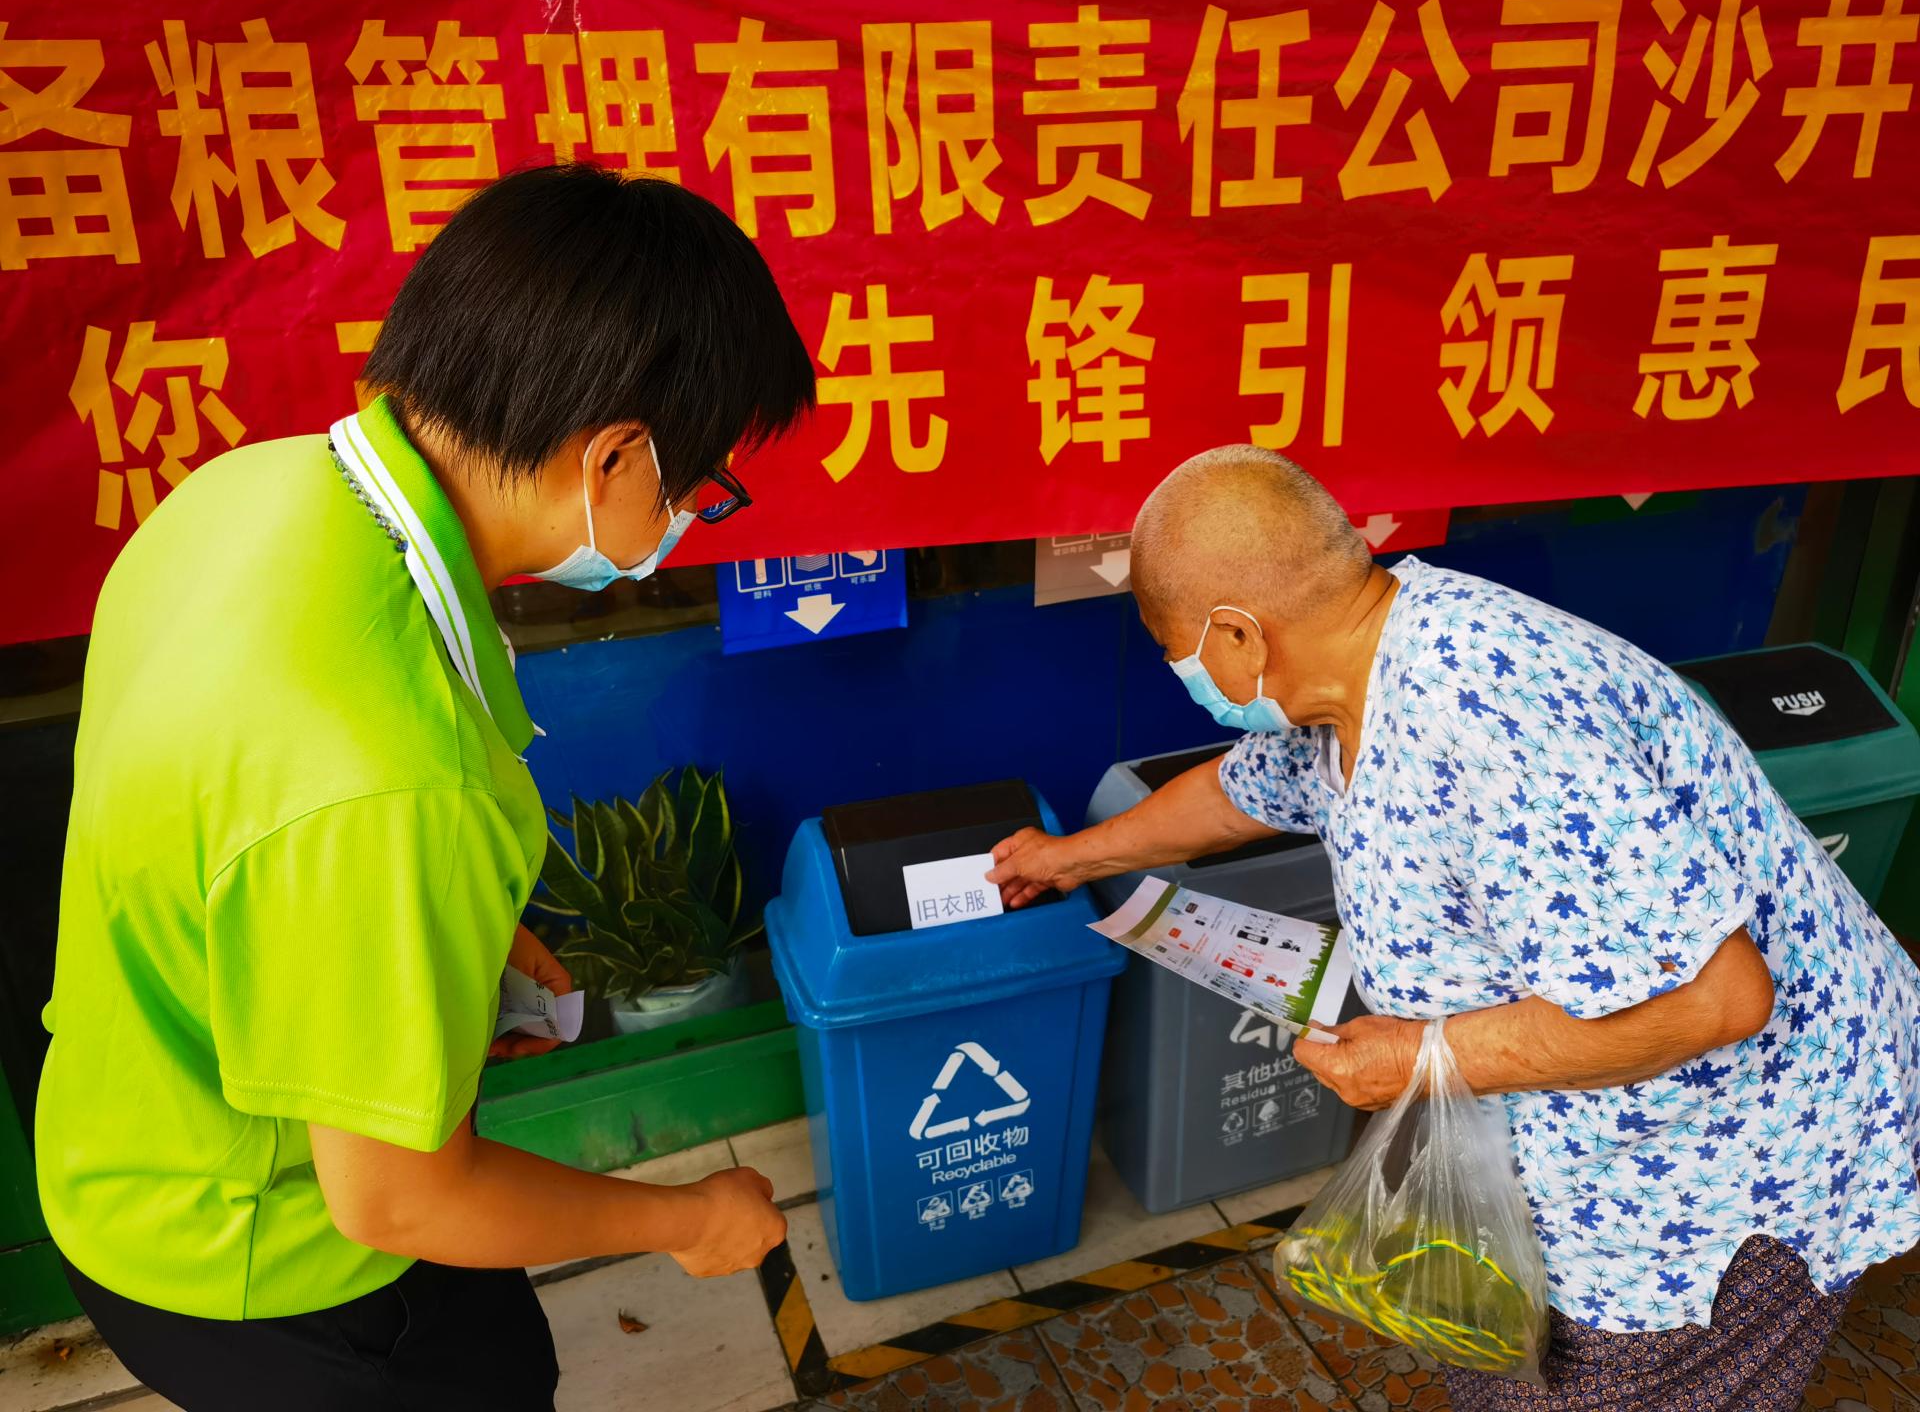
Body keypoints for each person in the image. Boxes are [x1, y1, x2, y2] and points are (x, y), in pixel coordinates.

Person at [36, 164, 815, 1411]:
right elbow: (399, 1197)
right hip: (268, 1258)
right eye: (692, 484)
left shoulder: (254, 493)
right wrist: (684, 1218)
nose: (683, 516)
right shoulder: (391, 781)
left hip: (119, 1138)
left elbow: (228, 812)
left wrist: (452, 928)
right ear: (612, 453)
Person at [989, 444, 1920, 1411]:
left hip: (1727, 1167)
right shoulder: (1352, 674)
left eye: (1173, 649)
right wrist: (1072, 857)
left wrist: (1423, 1056)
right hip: (1592, 1142)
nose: (1184, 673)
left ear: (1236, 636)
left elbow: (1720, 998)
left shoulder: (1487, 716)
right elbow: (1233, 795)